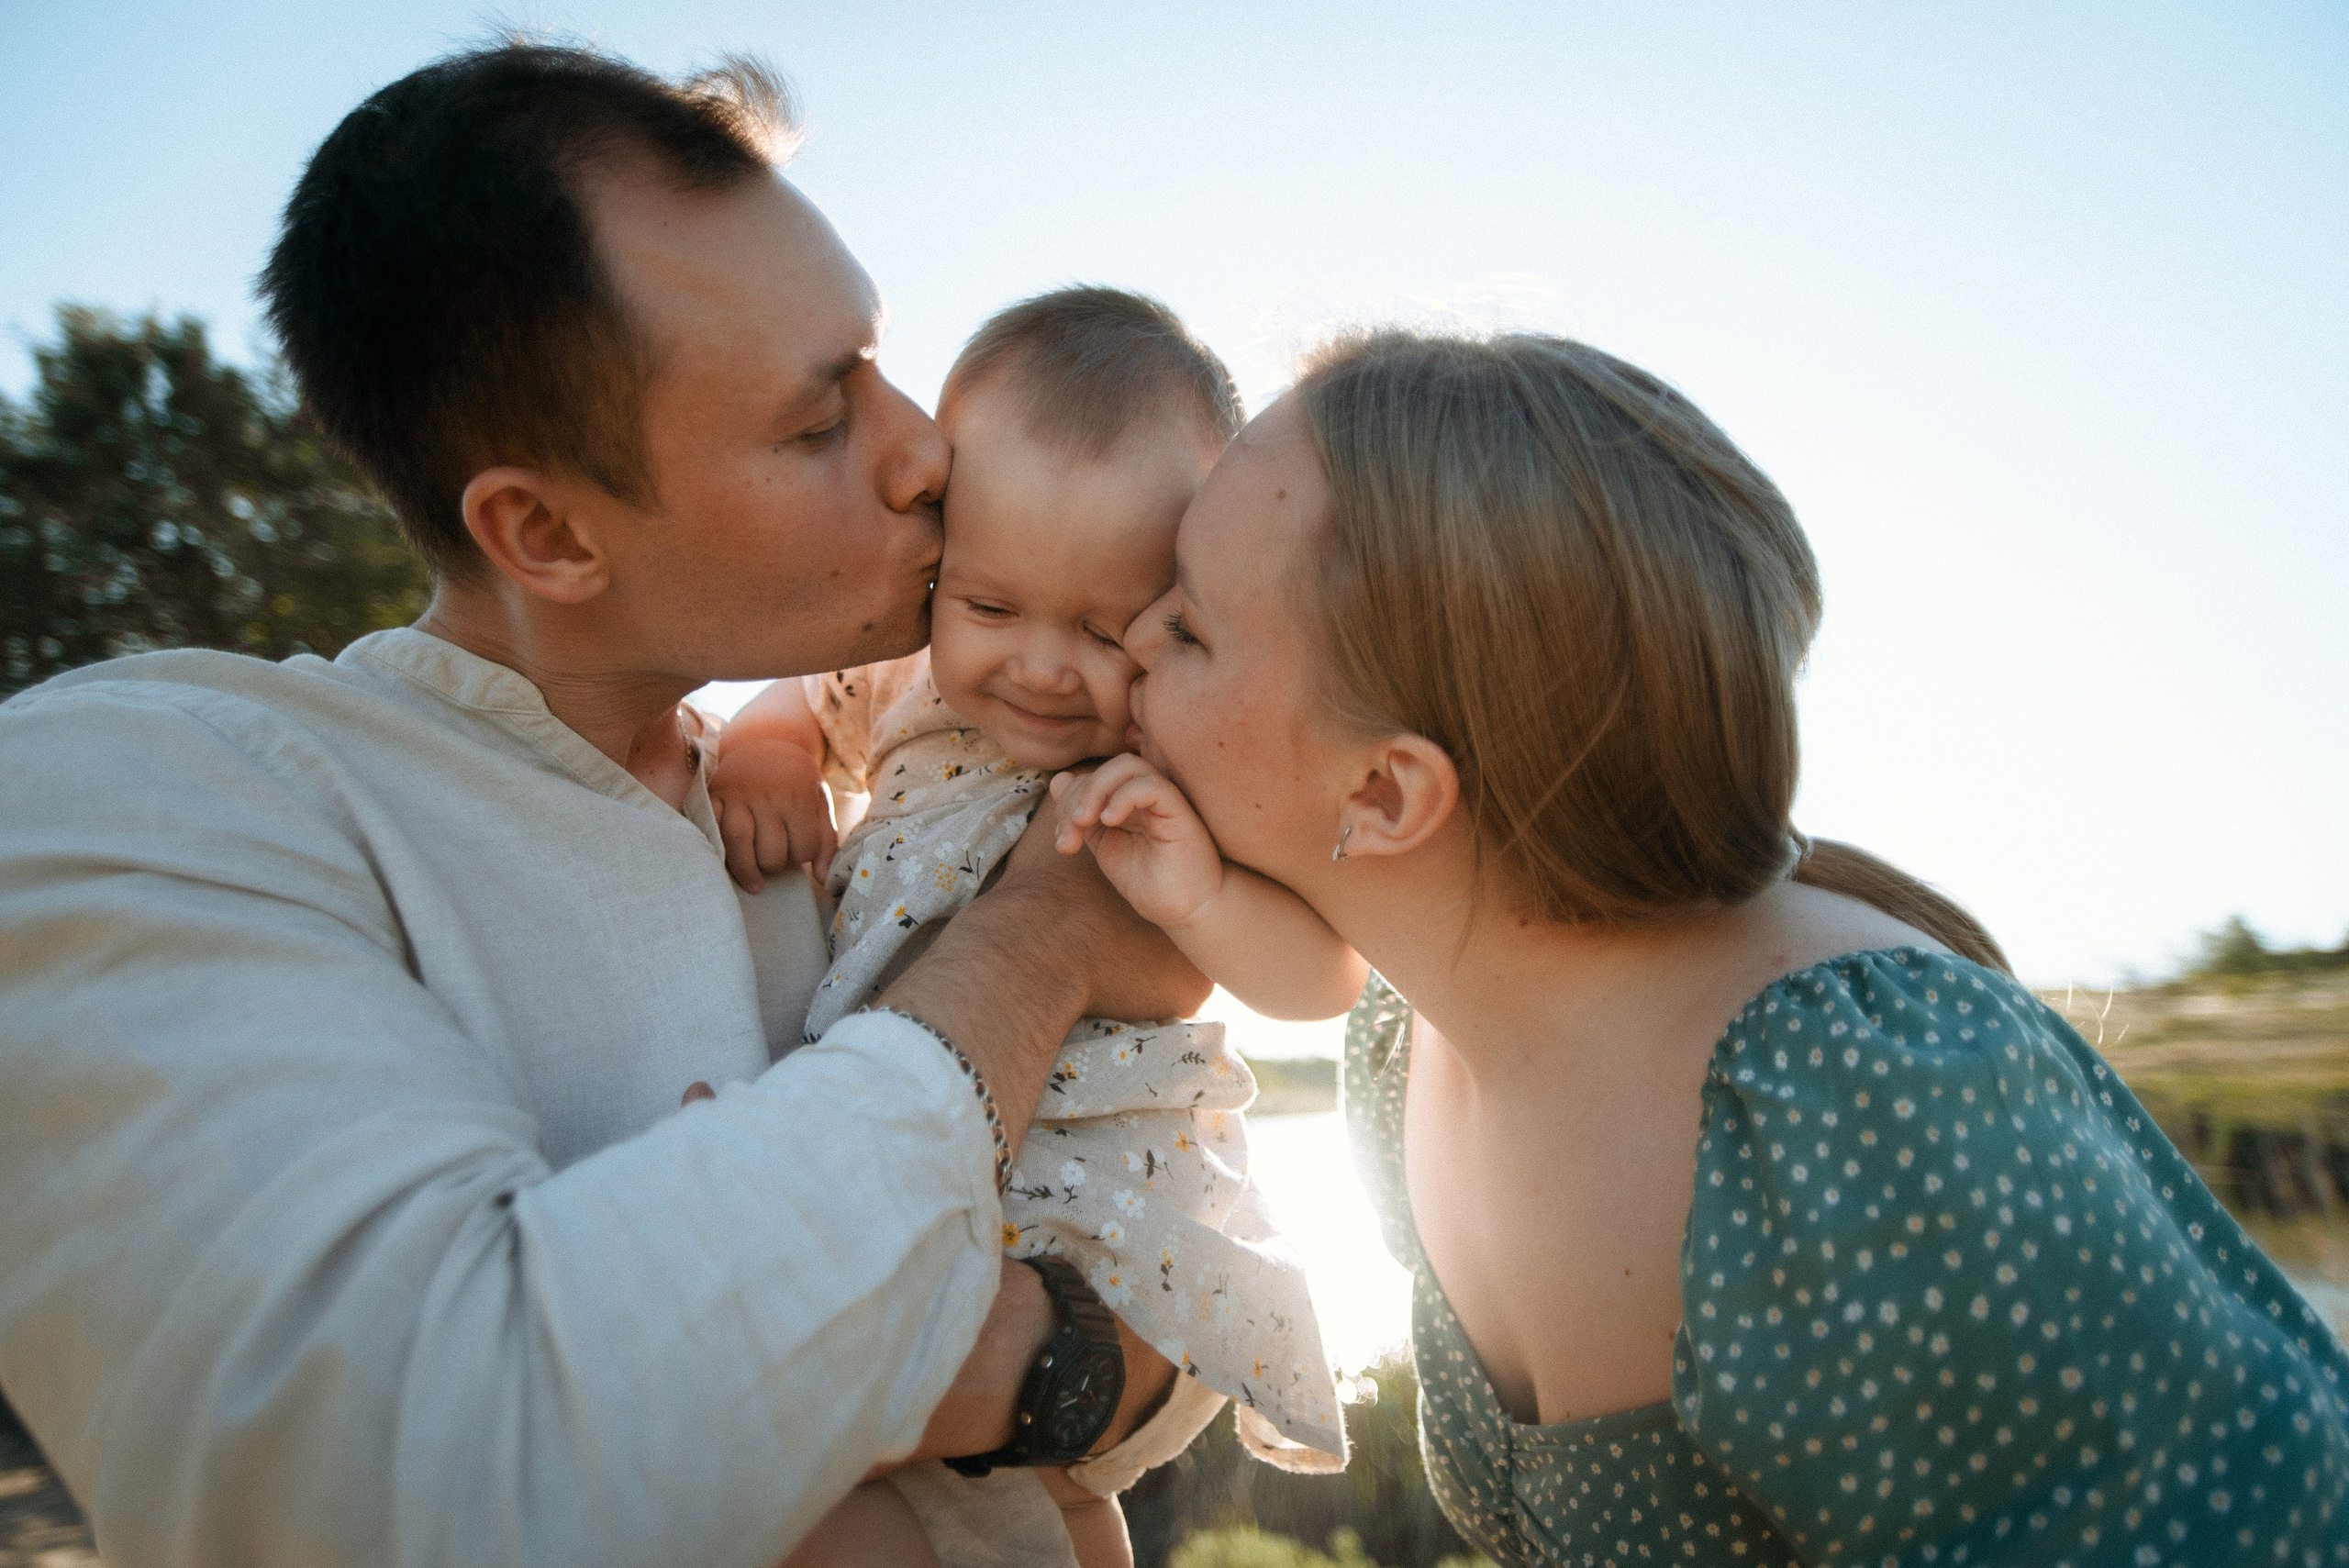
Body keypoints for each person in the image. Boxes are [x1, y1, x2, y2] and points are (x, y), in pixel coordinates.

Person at [0, 44, 1199, 1568]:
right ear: (548, 531)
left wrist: (1051, 1365)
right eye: (821, 417)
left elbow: (1176, 1358)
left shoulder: (899, 789)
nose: (927, 452)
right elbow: (414, 1479)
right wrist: (1041, 943)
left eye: (883, 364)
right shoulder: (131, 791)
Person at [1060, 328, 2349, 1565]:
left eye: (1189, 628)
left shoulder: (1858, 1117)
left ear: (1387, 795)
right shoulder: (1401, 1047)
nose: (1128, 640)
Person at [711, 286, 1352, 1568]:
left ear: (1180, 605)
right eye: (992, 608)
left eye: (1106, 627)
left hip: (1099, 1183)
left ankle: (1075, 1519)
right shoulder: (896, 684)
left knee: (1025, 1462)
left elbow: (1326, 972)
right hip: (913, 1123)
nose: (1045, 667)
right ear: (941, 565)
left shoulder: (1179, 753)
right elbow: (787, 703)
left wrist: (1204, 898)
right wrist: (766, 753)